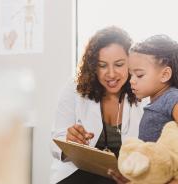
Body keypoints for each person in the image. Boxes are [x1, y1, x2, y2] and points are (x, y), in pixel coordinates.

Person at [50, 26, 148, 184]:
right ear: (93, 66)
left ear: (130, 62)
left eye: (119, 64)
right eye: (102, 65)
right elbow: (55, 141)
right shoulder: (75, 88)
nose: (111, 74)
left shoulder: (144, 90)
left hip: (126, 176)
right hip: (80, 174)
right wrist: (70, 141)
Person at [128, 35, 178, 183]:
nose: (131, 80)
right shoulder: (155, 102)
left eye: (139, 74)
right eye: (131, 74)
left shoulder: (171, 97)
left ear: (165, 75)